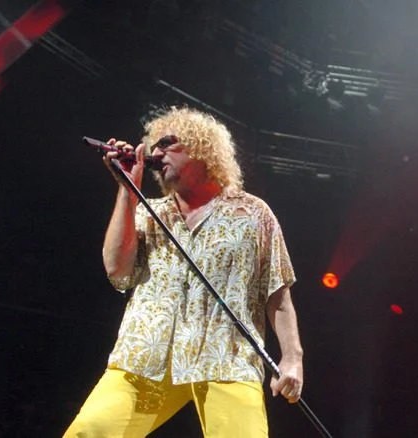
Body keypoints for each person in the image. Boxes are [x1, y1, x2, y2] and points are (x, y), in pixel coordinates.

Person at [65, 107, 304, 437]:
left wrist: (293, 358)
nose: (156, 153)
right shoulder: (150, 210)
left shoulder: (252, 213)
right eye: (154, 147)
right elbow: (116, 271)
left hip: (226, 356)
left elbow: (277, 296)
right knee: (88, 431)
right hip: (146, 354)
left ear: (202, 148)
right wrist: (126, 189)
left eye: (167, 143)